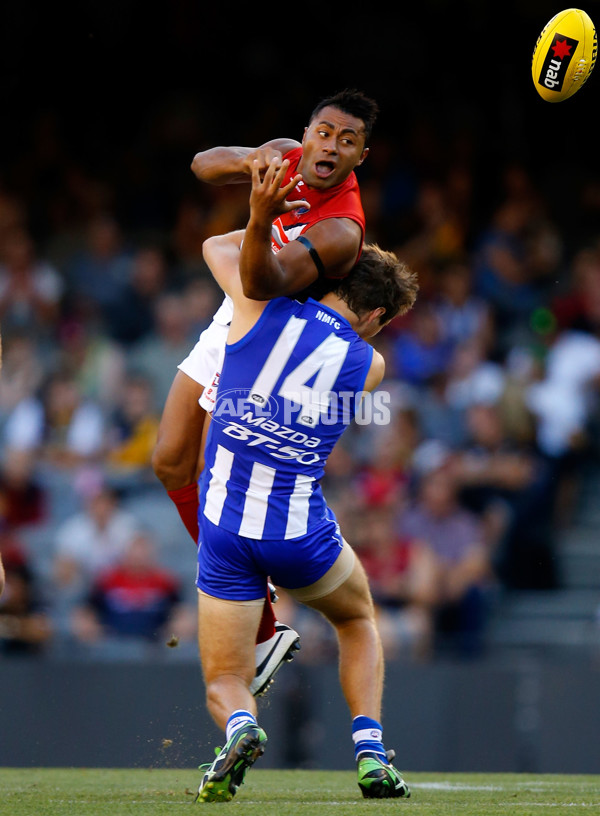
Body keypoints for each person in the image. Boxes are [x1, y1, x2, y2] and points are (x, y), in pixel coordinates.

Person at [193, 160, 418, 802]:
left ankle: (240, 725)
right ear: (375, 315)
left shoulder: (255, 304)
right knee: (357, 620)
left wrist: (281, 220)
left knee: (225, 678)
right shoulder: (368, 364)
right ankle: (371, 752)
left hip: (226, 529)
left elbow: (216, 246)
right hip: (299, 533)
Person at [151, 89, 379, 695]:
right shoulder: (286, 155)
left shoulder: (341, 231)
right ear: (307, 132)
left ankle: (258, 624)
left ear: (361, 156)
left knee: (209, 470)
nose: (330, 146)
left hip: (271, 339)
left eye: (347, 140)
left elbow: (264, 278)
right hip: (235, 314)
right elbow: (201, 164)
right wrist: (257, 163)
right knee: (168, 460)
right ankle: (265, 631)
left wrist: (259, 212)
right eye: (323, 132)